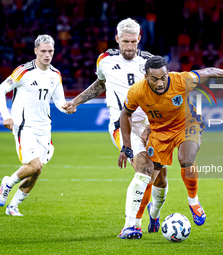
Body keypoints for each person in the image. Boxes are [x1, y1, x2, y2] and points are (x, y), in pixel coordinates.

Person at [62, 18, 168, 239]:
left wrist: (151, 124)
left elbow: (162, 93)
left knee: (160, 177)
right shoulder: (105, 60)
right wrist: (76, 101)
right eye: (125, 42)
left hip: (150, 125)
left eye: (133, 42)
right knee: (144, 168)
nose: (129, 47)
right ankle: (131, 225)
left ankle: (155, 214)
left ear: (139, 39)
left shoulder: (149, 63)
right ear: (117, 39)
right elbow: (100, 83)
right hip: (122, 125)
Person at [118, 56, 223, 236]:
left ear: (168, 73)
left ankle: (193, 200)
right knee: (151, 179)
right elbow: (125, 114)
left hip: (187, 125)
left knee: (186, 159)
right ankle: (150, 216)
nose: (160, 83)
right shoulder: (137, 91)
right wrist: (126, 146)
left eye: (163, 77)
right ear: (146, 77)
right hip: (159, 133)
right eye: (154, 79)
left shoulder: (180, 80)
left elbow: (207, 72)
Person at [0, 35, 67, 216]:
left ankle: (13, 206)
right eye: (43, 51)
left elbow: (60, 102)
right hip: (24, 125)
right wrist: (6, 116)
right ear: (35, 51)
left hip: (44, 128)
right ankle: (8, 182)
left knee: (37, 171)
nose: (47, 55)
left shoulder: (55, 74)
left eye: (50, 51)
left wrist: (69, 107)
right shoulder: (24, 72)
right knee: (34, 165)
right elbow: (0, 90)